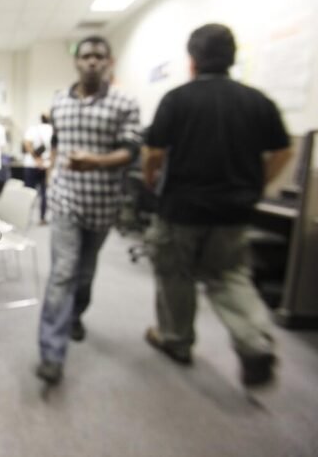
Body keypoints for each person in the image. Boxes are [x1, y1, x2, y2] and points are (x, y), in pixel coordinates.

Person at [142, 23, 292, 387]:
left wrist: (150, 179)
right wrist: (258, 184)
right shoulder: (257, 101)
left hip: (182, 208)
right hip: (234, 211)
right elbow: (284, 151)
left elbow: (154, 152)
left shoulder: (177, 99)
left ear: (192, 60)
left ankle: (176, 340)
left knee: (175, 274)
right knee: (229, 275)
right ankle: (254, 342)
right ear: (231, 58)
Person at [36, 36, 142, 384]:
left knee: (84, 272)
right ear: (77, 61)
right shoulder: (59, 101)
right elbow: (56, 142)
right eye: (86, 56)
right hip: (65, 200)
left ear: (109, 62)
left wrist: (95, 161)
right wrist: (51, 175)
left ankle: (75, 315)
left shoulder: (124, 102)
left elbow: (131, 151)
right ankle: (51, 354)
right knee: (63, 272)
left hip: (103, 203)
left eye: (99, 56)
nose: (92, 61)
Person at [22, 112, 53, 224]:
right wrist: (45, 161)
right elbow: (55, 149)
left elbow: (27, 144)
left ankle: (26, 217)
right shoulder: (53, 130)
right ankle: (42, 218)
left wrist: (36, 158)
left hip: (31, 164)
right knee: (44, 193)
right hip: (46, 165)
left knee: (28, 192)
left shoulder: (33, 129)